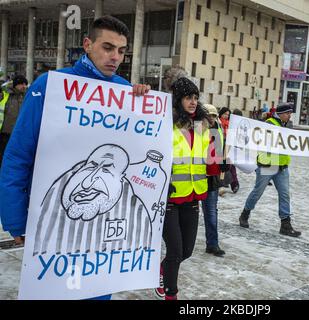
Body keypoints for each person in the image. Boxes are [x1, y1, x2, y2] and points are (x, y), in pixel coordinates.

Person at [0, 15, 151, 300]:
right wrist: (15, 218)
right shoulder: (51, 85)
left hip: (101, 238)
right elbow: (18, 156)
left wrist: (143, 102)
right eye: (107, 47)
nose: (115, 57)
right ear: (87, 45)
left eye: (121, 51)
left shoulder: (124, 91)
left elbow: (140, 150)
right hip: (53, 228)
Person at [155, 77, 213, 300]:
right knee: (176, 251)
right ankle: (171, 294)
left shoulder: (203, 125)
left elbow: (211, 155)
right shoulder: (164, 123)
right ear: (178, 99)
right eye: (188, 97)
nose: (193, 102)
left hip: (192, 195)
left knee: (186, 251)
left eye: (196, 98)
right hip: (168, 197)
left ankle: (161, 270)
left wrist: (221, 167)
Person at [239, 102, 301, 237]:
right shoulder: (270, 123)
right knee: (258, 192)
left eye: (290, 113)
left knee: (284, 194)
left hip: (282, 165)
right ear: (280, 114)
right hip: (269, 164)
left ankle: (285, 224)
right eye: (287, 113)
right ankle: (245, 213)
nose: (290, 116)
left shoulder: (287, 125)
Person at [202, 103, 228, 257]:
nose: (211, 118)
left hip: (212, 176)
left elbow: (221, 148)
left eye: (213, 115)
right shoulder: (197, 127)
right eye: (208, 115)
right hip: (195, 176)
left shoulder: (218, 128)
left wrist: (224, 161)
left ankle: (212, 244)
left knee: (211, 212)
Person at [0, 74, 28, 166]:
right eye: (22, 84)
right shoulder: (4, 94)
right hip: (5, 133)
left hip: (19, 133)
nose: (24, 86)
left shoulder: (26, 96)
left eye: (25, 84)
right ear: (16, 84)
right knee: (3, 156)